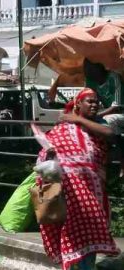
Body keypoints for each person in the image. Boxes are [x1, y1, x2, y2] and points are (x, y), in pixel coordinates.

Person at [36, 88, 120, 269]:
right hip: (70, 192)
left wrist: (78, 119)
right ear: (78, 104)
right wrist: (50, 157)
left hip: (93, 192)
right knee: (72, 233)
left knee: (91, 230)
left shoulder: (99, 123)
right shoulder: (64, 127)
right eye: (89, 101)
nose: (95, 104)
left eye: (96, 101)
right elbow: (45, 153)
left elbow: (111, 135)